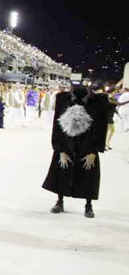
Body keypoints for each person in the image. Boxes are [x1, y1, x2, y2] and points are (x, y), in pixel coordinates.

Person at [42, 85, 108, 218]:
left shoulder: (96, 103)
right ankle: (59, 201)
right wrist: (60, 150)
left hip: (88, 146)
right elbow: (57, 126)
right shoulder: (64, 100)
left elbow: (101, 127)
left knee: (88, 175)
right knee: (62, 172)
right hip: (66, 144)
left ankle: (88, 205)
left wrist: (94, 151)